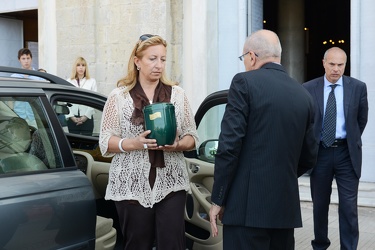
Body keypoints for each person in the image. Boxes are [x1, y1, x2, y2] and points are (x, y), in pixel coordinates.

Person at [208, 29, 318, 249]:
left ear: (251, 56)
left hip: (246, 210)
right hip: (284, 211)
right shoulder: (304, 95)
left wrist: (218, 198)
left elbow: (229, 146)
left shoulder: (244, 83)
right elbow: (310, 156)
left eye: (243, 59)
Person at [99, 34, 198, 250]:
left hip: (171, 183)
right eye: (152, 59)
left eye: (163, 59)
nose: (159, 65)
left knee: (173, 244)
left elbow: (192, 136)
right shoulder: (119, 97)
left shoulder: (178, 95)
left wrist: (178, 145)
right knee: (137, 244)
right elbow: (106, 141)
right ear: (137, 61)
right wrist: (134, 143)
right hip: (130, 184)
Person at [303, 47, 368, 250]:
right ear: (323, 63)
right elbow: (305, 122)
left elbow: (361, 120)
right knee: (320, 206)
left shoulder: (357, 87)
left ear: (345, 65)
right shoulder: (308, 88)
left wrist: (350, 140)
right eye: (332, 64)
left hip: (346, 153)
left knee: (349, 208)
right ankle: (320, 245)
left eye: (340, 65)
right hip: (320, 153)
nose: (336, 69)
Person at [11, 48, 43, 127]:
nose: (26, 61)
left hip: (34, 115)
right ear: (19, 60)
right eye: (23, 58)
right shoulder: (14, 77)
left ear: (31, 59)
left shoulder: (38, 76)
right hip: (18, 115)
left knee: (37, 137)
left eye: (28, 58)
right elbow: (10, 98)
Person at [66, 57, 97, 135]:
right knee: (73, 144)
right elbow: (66, 101)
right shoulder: (69, 81)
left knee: (87, 144)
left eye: (83, 65)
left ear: (86, 67)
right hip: (72, 118)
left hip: (87, 118)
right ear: (75, 67)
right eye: (78, 65)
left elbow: (94, 101)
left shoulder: (92, 81)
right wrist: (71, 116)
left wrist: (85, 117)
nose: (81, 67)